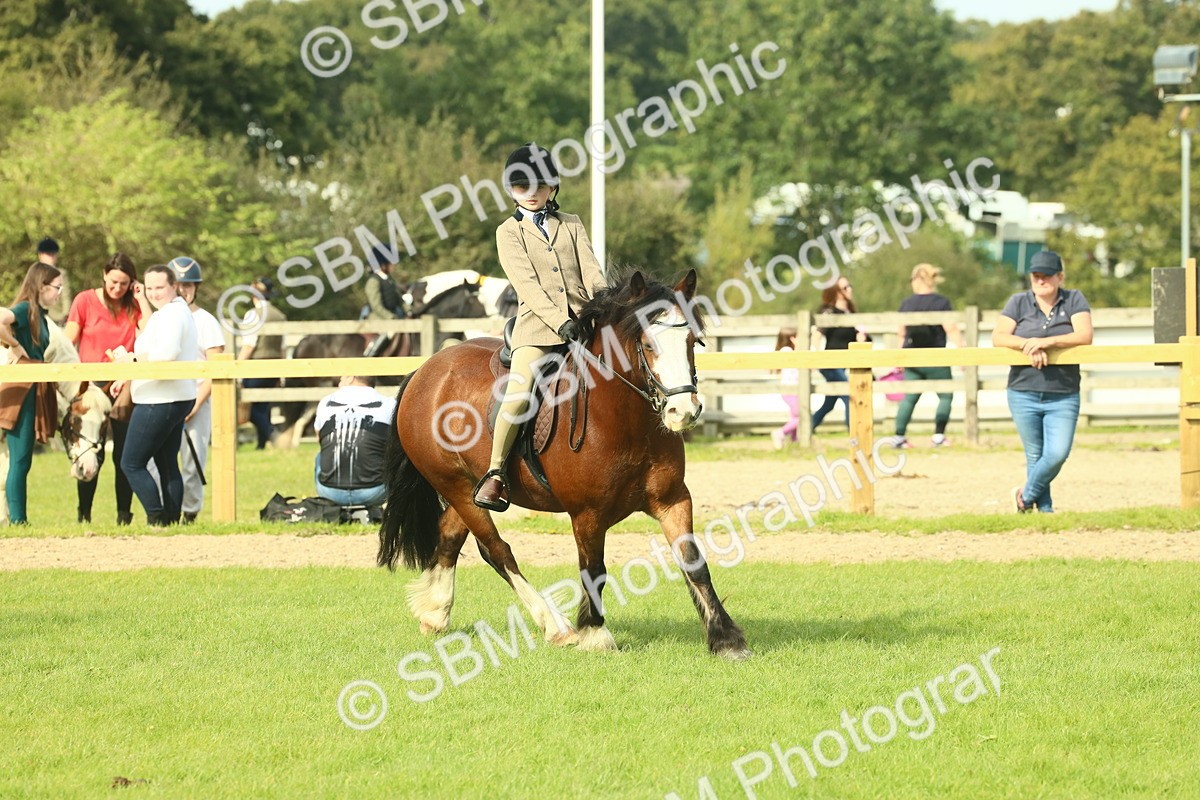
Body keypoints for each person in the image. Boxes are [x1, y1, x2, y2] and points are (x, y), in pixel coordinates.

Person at [473, 142, 607, 511]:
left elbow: (593, 274)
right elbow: (527, 287)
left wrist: (607, 307)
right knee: (518, 393)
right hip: (538, 330)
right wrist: (561, 322)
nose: (530, 193)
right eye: (521, 187)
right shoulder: (508, 232)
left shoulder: (572, 224)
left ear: (552, 188)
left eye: (538, 185)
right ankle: (496, 472)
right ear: (511, 190)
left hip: (584, 323)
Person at [992, 251, 1093, 513]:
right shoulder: (1018, 302)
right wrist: (1028, 344)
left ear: (1060, 276)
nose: (1040, 280)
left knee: (1057, 453)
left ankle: (1024, 497)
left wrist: (1048, 342)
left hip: (1063, 392)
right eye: (1036, 275)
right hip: (1023, 390)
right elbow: (999, 336)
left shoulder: (1074, 299)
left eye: (1046, 275)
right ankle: (1044, 509)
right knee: (1035, 454)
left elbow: (1084, 335)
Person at [63, 253, 152, 524]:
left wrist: (142, 298)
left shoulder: (133, 305)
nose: (117, 288)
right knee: (90, 451)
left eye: (124, 283)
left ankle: (123, 516)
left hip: (123, 386)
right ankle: (84, 515)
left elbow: (149, 333)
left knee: (124, 455)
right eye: (114, 282)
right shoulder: (84, 301)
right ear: (104, 275)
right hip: (91, 387)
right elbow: (69, 341)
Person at [112, 265, 199, 526]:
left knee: (131, 464)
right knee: (165, 461)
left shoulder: (171, 315)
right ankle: (171, 519)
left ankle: (156, 517)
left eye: (159, 287)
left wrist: (131, 358)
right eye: (149, 288)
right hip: (175, 396)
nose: (153, 293)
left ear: (174, 286)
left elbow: (166, 354)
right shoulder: (174, 312)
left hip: (159, 400)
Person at [0, 264, 64, 524]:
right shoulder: (26, 309)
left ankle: (19, 518)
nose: (59, 293)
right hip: (23, 386)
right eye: (56, 287)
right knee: (20, 458)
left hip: (32, 384)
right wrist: (14, 345)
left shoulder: (37, 313)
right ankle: (18, 520)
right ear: (41, 286)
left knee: (22, 458)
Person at [168, 257, 225, 523]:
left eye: (188, 284)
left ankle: (190, 513)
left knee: (193, 461)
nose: (183, 289)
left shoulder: (206, 322)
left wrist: (196, 404)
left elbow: (215, 369)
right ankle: (165, 510)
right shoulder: (163, 320)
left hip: (197, 399)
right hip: (168, 400)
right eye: (178, 284)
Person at [892, 263, 964, 449]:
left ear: (918, 279)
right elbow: (952, 329)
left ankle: (899, 437)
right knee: (946, 396)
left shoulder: (906, 304)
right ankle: (938, 436)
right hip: (936, 358)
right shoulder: (941, 302)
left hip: (912, 358)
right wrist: (962, 352)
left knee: (909, 398)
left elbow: (901, 333)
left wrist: (897, 358)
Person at [313, 376, 397, 508]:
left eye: (342, 377)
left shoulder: (325, 401)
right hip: (375, 492)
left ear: (350, 377)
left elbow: (320, 440)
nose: (339, 380)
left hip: (329, 492)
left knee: (319, 455)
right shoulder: (390, 403)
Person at [809, 277, 865, 434]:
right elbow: (817, 335)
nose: (850, 289)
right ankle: (855, 434)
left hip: (843, 363)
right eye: (845, 287)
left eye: (849, 286)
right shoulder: (829, 311)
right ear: (836, 291)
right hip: (831, 363)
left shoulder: (850, 312)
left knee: (830, 402)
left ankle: (804, 431)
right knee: (849, 395)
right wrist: (816, 357)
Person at [237, 277, 287, 449]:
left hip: (256, 366)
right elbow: (283, 348)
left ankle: (274, 436)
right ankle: (261, 445)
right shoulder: (280, 316)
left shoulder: (252, 315)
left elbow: (249, 346)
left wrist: (237, 369)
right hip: (274, 367)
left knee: (250, 409)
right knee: (263, 407)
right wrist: (281, 372)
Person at [363, 246, 407, 357]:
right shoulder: (373, 281)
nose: (394, 265)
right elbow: (376, 306)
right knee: (391, 331)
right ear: (382, 264)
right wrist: (391, 317)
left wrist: (410, 310)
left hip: (392, 316)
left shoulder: (389, 280)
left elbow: (399, 301)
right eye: (391, 262)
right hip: (378, 318)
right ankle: (372, 354)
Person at [770, 327, 800, 449]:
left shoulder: (790, 350)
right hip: (790, 390)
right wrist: (798, 347)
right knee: (802, 416)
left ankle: (794, 441)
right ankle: (780, 433)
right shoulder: (786, 350)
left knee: (795, 417)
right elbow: (796, 361)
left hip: (794, 389)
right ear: (792, 339)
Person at [37, 238, 72, 324]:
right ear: (40, 255)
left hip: (57, 318)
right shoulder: (34, 273)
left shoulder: (61, 273)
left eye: (54, 254)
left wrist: (65, 315)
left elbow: (66, 295)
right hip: (38, 317)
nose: (51, 257)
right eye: (48, 254)